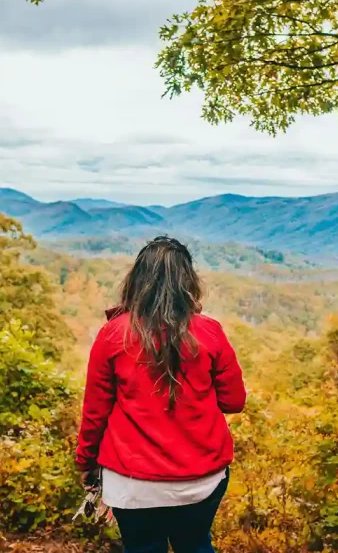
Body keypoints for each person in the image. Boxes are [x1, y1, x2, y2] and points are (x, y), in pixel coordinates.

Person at [75, 236, 247, 553]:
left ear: (137, 280)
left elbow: (95, 413)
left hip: (132, 483)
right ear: (188, 282)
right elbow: (234, 401)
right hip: (201, 481)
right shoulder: (209, 331)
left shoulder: (114, 334)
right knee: (195, 543)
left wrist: (86, 462)